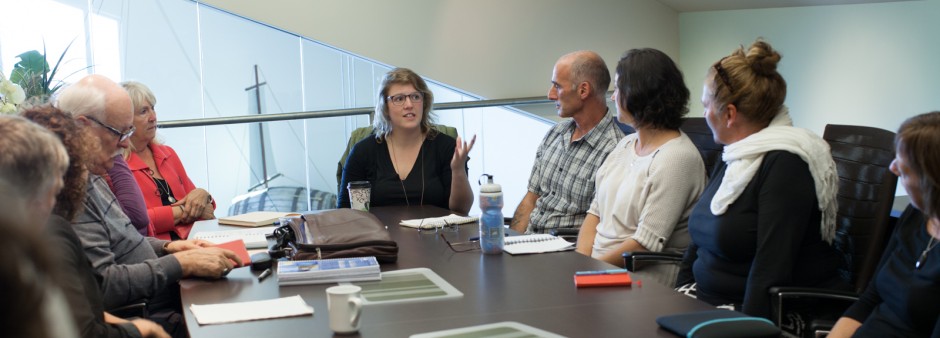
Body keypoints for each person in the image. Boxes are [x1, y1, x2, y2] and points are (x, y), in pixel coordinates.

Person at [56, 74, 241, 337]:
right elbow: (106, 284)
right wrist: (180, 262)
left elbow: (129, 236)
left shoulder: (91, 173)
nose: (124, 142)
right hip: (150, 308)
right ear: (82, 126)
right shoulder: (71, 188)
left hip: (162, 289)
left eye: (128, 132)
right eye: (119, 132)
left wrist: (169, 247)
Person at [675, 39, 846, 319]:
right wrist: (679, 291)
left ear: (729, 114)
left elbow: (770, 269)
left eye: (706, 106)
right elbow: (698, 239)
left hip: (751, 311)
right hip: (703, 299)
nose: (704, 114)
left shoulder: (786, 164)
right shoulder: (735, 154)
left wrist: (745, 329)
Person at [19, 107, 170, 338]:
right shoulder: (54, 227)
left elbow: (81, 307)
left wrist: (168, 249)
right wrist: (140, 330)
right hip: (140, 308)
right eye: (119, 132)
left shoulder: (48, 218)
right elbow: (88, 321)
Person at [574, 49, 705, 285]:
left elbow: (645, 244)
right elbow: (595, 213)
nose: (613, 98)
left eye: (618, 89)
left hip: (642, 279)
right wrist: (580, 265)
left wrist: (590, 271)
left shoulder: (677, 158)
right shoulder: (625, 144)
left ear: (639, 94)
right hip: (598, 271)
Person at [829, 111, 940, 337]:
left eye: (904, 167)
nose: (892, 168)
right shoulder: (915, 215)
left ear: (931, 179)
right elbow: (870, 299)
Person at [510, 51, 626, 235]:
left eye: (557, 86)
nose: (550, 95)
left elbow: (602, 230)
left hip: (567, 254)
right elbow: (531, 199)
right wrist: (511, 243)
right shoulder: (555, 133)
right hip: (528, 245)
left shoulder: (615, 151)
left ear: (583, 90)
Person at [338, 68, 475, 214]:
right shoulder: (363, 151)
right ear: (385, 107)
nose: (409, 104)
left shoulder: (446, 147)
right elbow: (345, 212)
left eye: (415, 97)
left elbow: (461, 210)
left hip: (436, 235)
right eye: (399, 99)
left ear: (424, 102)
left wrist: (458, 170)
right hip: (381, 236)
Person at [122, 81, 213, 240]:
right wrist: (185, 211)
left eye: (153, 108)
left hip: (195, 240)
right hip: (158, 252)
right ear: (125, 121)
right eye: (144, 111)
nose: (153, 117)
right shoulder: (117, 166)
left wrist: (203, 194)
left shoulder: (168, 153)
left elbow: (206, 208)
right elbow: (134, 222)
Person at [107, 153, 151, 236]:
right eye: (117, 138)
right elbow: (137, 218)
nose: (125, 143)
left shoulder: (166, 151)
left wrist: (165, 245)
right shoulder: (113, 162)